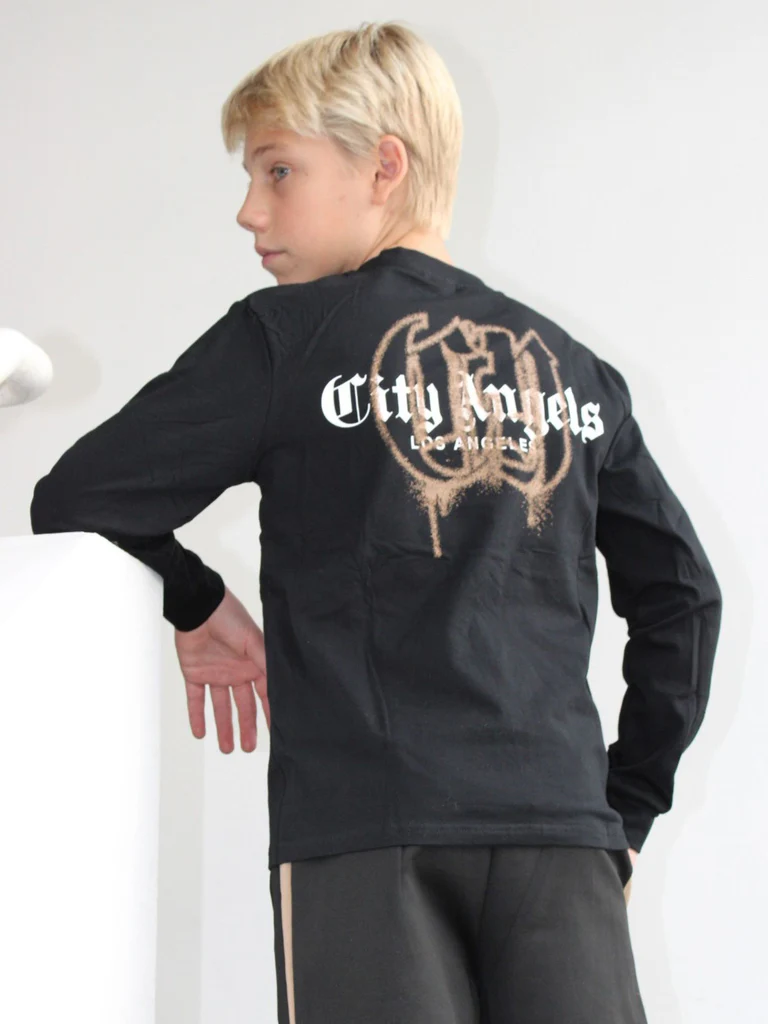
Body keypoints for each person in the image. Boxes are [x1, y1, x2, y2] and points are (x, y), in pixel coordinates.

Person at [29, 20, 722, 1024]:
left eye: (278, 170)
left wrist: (195, 600)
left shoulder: (284, 339)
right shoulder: (571, 371)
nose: (248, 209)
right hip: (562, 842)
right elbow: (685, 598)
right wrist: (627, 812)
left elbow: (77, 496)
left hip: (366, 840)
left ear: (383, 166)